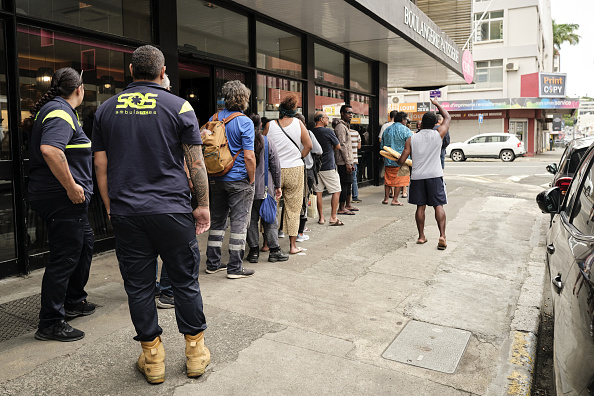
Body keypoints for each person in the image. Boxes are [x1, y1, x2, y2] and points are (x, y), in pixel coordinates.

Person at [92, 45, 211, 384]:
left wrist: (109, 204)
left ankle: (153, 358)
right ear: (162, 73)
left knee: (139, 287)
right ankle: (194, 355)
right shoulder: (180, 106)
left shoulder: (104, 109)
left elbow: (100, 164)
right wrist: (202, 205)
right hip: (172, 210)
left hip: (128, 211)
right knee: (185, 281)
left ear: (131, 71)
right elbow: (196, 162)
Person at [28, 67, 94, 342]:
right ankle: (51, 322)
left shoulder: (62, 110)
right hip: (62, 198)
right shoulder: (60, 112)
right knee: (64, 257)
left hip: (61, 198)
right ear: (79, 89)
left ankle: (73, 300)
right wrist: (72, 187)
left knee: (85, 243)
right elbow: (51, 150)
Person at [204, 80, 257, 279]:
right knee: (239, 224)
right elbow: (249, 156)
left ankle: (213, 263)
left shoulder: (214, 118)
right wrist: (251, 180)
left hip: (217, 178)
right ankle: (235, 267)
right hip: (239, 181)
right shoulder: (245, 122)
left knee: (217, 222)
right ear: (243, 99)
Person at [397, 98, 451, 250]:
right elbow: (448, 118)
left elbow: (401, 160)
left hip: (418, 177)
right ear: (435, 124)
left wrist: (395, 159)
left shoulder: (412, 138)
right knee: (438, 205)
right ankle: (442, 235)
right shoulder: (438, 133)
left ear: (421, 122)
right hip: (435, 175)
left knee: (420, 207)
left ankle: (421, 237)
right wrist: (437, 105)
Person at [264, 94, 312, 254]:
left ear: (281, 110)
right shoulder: (299, 124)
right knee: (293, 207)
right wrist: (299, 156)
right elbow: (309, 145)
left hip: (274, 170)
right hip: (294, 169)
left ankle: (266, 243)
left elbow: (263, 146)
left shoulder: (270, 125)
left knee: (271, 206)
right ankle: (293, 246)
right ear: (294, 109)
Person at [245, 113, 288, 263]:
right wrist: (278, 185)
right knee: (270, 220)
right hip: (265, 189)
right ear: (261, 125)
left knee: (250, 221)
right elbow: (276, 166)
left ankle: (253, 252)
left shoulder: (244, 141)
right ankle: (274, 250)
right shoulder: (268, 142)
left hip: (247, 189)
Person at [311, 111, 343, 226]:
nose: (328, 120)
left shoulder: (310, 132)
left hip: (315, 167)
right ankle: (333, 217)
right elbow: (338, 146)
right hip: (328, 166)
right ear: (321, 119)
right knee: (336, 190)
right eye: (326, 118)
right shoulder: (328, 131)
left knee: (318, 192)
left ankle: (321, 218)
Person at [296, 113, 322, 242]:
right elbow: (318, 150)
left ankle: (282, 230)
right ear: (303, 123)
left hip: (288, 169)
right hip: (306, 169)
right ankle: (300, 231)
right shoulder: (308, 133)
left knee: (289, 200)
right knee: (304, 200)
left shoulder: (283, 132)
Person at [382, 112, 412, 205]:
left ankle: (386, 199)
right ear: (403, 120)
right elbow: (411, 145)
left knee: (388, 180)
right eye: (406, 119)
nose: (406, 121)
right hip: (402, 160)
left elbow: (382, 145)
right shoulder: (406, 130)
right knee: (400, 180)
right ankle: (395, 199)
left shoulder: (387, 130)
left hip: (388, 158)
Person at [334, 105, 358, 215]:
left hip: (348, 160)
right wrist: (348, 162)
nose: (351, 115)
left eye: (352, 113)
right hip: (342, 161)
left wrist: (351, 161)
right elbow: (342, 145)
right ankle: (341, 208)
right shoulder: (340, 127)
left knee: (349, 183)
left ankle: (348, 205)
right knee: (344, 184)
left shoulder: (345, 126)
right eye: (348, 112)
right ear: (342, 113)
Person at [350, 126, 362, 203]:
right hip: (354, 159)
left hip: (344, 160)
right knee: (354, 179)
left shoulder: (341, 132)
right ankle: (355, 196)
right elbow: (359, 146)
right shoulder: (356, 133)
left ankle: (343, 197)